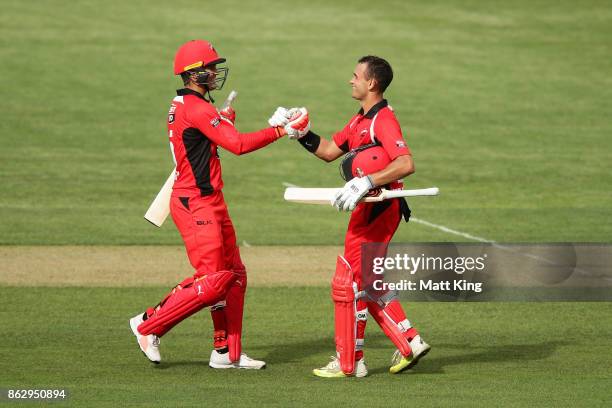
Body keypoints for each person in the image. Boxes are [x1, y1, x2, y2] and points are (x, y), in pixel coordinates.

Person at [129, 39, 309, 368]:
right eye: (210, 67)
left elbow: (209, 142)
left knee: (235, 275)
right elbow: (237, 145)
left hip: (209, 199)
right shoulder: (197, 108)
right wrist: (281, 131)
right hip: (195, 202)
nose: (215, 72)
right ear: (194, 73)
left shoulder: (189, 105)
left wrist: (222, 120)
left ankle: (226, 352)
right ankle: (147, 325)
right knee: (213, 282)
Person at [282, 56, 430, 377]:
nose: (351, 80)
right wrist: (301, 133)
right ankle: (409, 341)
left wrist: (367, 180)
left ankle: (351, 362)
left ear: (372, 83)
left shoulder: (384, 120)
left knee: (350, 281)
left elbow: (406, 163)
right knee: (367, 280)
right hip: (368, 209)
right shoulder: (360, 120)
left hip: (381, 208)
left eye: (356, 76)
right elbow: (328, 151)